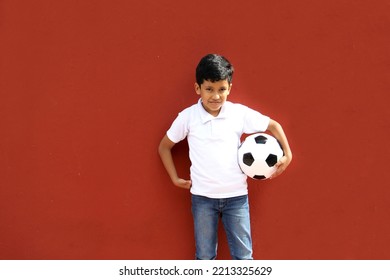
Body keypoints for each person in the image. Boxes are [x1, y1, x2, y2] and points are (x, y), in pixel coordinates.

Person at [158, 54, 292, 260]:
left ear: (229, 87)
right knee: (204, 257)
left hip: (236, 198)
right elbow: (164, 147)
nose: (216, 96)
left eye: (221, 89)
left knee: (244, 258)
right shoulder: (188, 117)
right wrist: (174, 178)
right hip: (202, 198)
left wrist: (287, 154)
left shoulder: (238, 114)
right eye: (209, 89)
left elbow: (274, 125)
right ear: (198, 88)